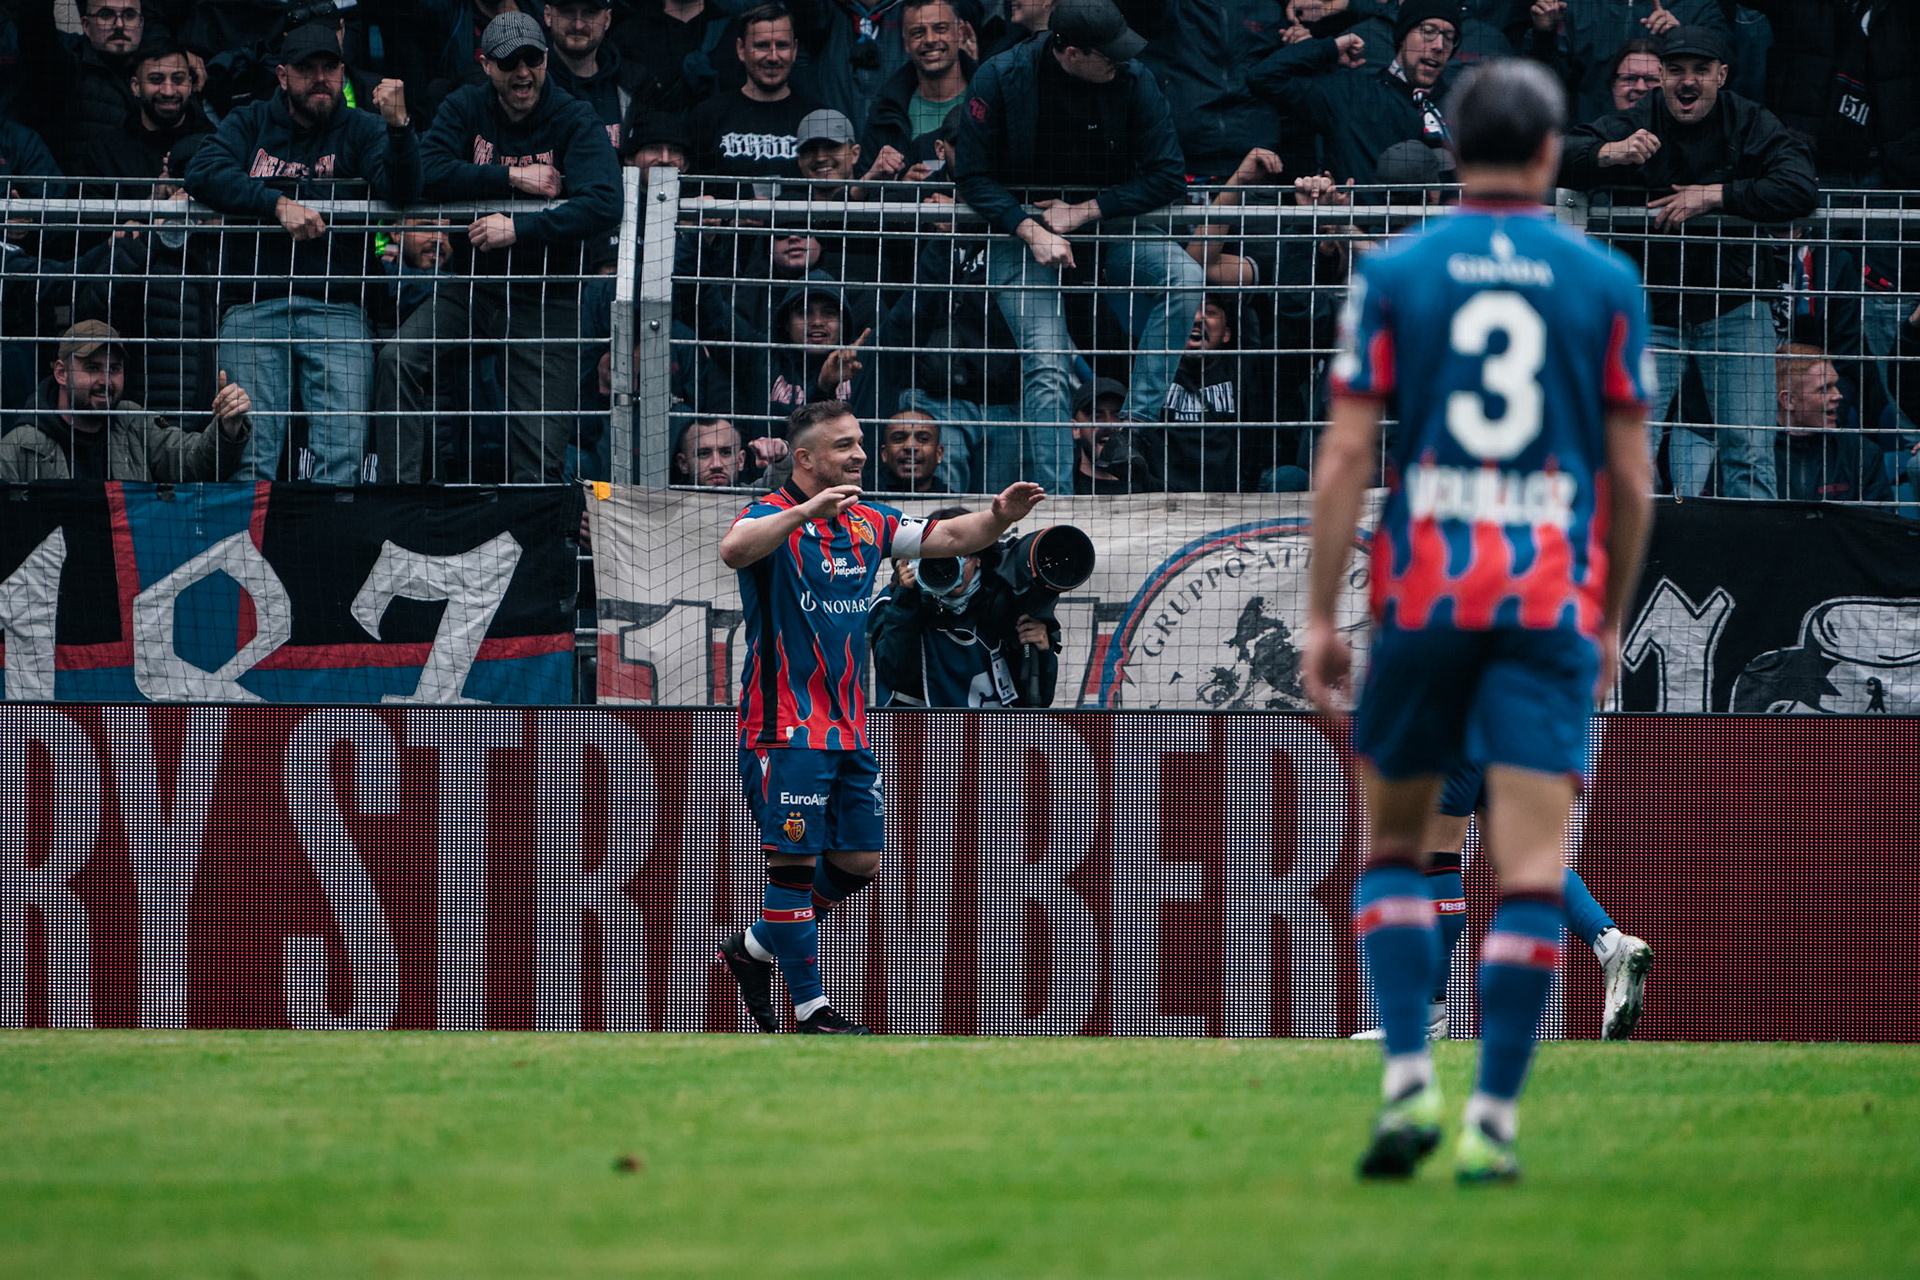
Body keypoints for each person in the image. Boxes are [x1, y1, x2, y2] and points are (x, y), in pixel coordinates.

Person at [1302, 59, 1655, 1183]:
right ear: (1552, 153)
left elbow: (1347, 454)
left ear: (1452, 150)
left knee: (1397, 848)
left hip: (1426, 596)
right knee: (1533, 865)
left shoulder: (1397, 270)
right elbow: (1630, 477)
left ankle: (1409, 1079)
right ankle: (1493, 1119)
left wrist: (1318, 614)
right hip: (1547, 598)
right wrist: (1607, 616)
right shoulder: (1603, 279)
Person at [714, 399, 1045, 1034]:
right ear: (805, 459)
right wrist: (804, 512)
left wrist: (1000, 517)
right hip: (785, 724)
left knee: (861, 859)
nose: (861, 454)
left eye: (860, 442)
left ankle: (753, 947)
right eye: (844, 445)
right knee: (793, 868)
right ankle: (811, 1010)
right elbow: (733, 551)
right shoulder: (770, 516)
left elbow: (952, 538)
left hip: (848, 722)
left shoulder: (870, 521)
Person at [953, 0, 1203, 492]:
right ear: (1069, 52)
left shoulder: (1133, 78)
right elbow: (972, 177)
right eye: (1108, 54)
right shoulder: (1001, 76)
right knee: (1047, 362)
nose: (1120, 61)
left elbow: (1170, 175)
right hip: (1021, 231)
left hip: (1108, 224)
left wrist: (1085, 210)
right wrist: (1032, 230)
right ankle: (1057, 504)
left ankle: (1133, 431)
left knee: (1186, 279)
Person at [1558, 25, 1818, 499]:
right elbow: (1555, 156)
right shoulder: (1638, 119)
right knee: (1630, 448)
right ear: (1661, 75)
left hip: (1734, 304)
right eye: (1676, 70)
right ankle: (1630, 547)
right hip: (1651, 310)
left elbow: (1800, 186)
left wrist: (1717, 196)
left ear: (1722, 75)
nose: (1688, 81)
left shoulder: (1749, 121)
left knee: (1750, 450)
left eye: (1701, 70)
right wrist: (1609, 153)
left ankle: (1752, 550)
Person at [376, 11, 622, 483]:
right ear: (487, 64)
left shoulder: (573, 115)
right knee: (397, 359)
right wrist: (511, 177)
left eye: (532, 60)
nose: (522, 73)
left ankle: (534, 528)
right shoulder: (466, 105)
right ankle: (397, 499)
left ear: (546, 59)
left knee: (539, 457)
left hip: (546, 297)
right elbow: (428, 171)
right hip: (473, 287)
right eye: (509, 62)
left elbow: (606, 201)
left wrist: (520, 229)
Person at [187, 24, 419, 486]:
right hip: (253, 304)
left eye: (329, 67)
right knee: (249, 457)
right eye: (306, 68)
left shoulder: (364, 127)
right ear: (282, 76)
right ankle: (249, 536)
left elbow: (404, 189)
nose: (320, 78)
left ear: (343, 73)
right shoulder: (251, 120)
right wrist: (276, 204)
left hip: (338, 306)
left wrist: (399, 128)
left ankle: (330, 538)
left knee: (344, 457)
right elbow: (202, 170)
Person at [1354, 763, 1654, 1044]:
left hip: (1452, 729)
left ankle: (1427, 1020)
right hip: (1501, 736)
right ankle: (1610, 942)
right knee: (1522, 863)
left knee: (1434, 850)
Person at [0, 321, 253, 481]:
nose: (105, 380)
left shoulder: (134, 422)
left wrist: (227, 428)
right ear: (61, 373)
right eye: (93, 368)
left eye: (115, 369)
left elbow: (192, 462)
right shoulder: (20, 445)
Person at [1248, 0, 1460, 185]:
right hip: (1362, 218)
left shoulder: (1458, 104)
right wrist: (1327, 49)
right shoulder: (1349, 93)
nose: (1439, 45)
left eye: (1449, 37)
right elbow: (1263, 78)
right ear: (1403, 36)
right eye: (1428, 31)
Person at [868, 506, 1062, 708]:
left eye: (960, 556)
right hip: (925, 725)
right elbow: (896, 678)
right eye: (937, 557)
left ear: (979, 558)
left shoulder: (1004, 598)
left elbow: (1035, 700)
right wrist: (906, 600)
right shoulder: (896, 600)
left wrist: (1042, 651)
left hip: (992, 727)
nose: (947, 566)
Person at [683, 4, 823, 188]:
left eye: (782, 45)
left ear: (795, 50)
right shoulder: (707, 117)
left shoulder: (818, 119)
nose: (773, 57)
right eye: (762, 45)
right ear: (741, 49)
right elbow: (687, 191)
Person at [1771, 343, 1894, 503]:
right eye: (1824, 389)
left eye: (1836, 385)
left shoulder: (1861, 453)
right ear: (1788, 400)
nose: (1838, 395)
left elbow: (1879, 516)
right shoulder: (1758, 456)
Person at [83, 37, 213, 182]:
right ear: (136, 86)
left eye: (178, 80)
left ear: (189, 84)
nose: (168, 91)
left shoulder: (214, 147)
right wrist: (153, 196)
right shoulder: (106, 153)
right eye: (156, 80)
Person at [862, 0, 975, 165]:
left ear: (961, 33)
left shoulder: (990, 97)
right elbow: (864, 177)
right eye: (918, 33)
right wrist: (902, 179)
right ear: (905, 42)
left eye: (940, 29)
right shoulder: (884, 111)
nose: (930, 39)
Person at [544, 0, 641, 151]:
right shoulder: (530, 84)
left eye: (590, 13)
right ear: (548, 15)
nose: (578, 25)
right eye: (568, 12)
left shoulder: (633, 85)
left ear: (607, 19)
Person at [875, 408, 948, 492]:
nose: (910, 446)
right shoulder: (865, 492)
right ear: (885, 453)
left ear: (939, 454)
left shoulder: (952, 498)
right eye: (899, 439)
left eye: (923, 439)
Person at [672, 414, 747, 486]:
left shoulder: (752, 493)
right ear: (683, 463)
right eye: (703, 454)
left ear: (741, 460)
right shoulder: (668, 495)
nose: (716, 465)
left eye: (726, 453)